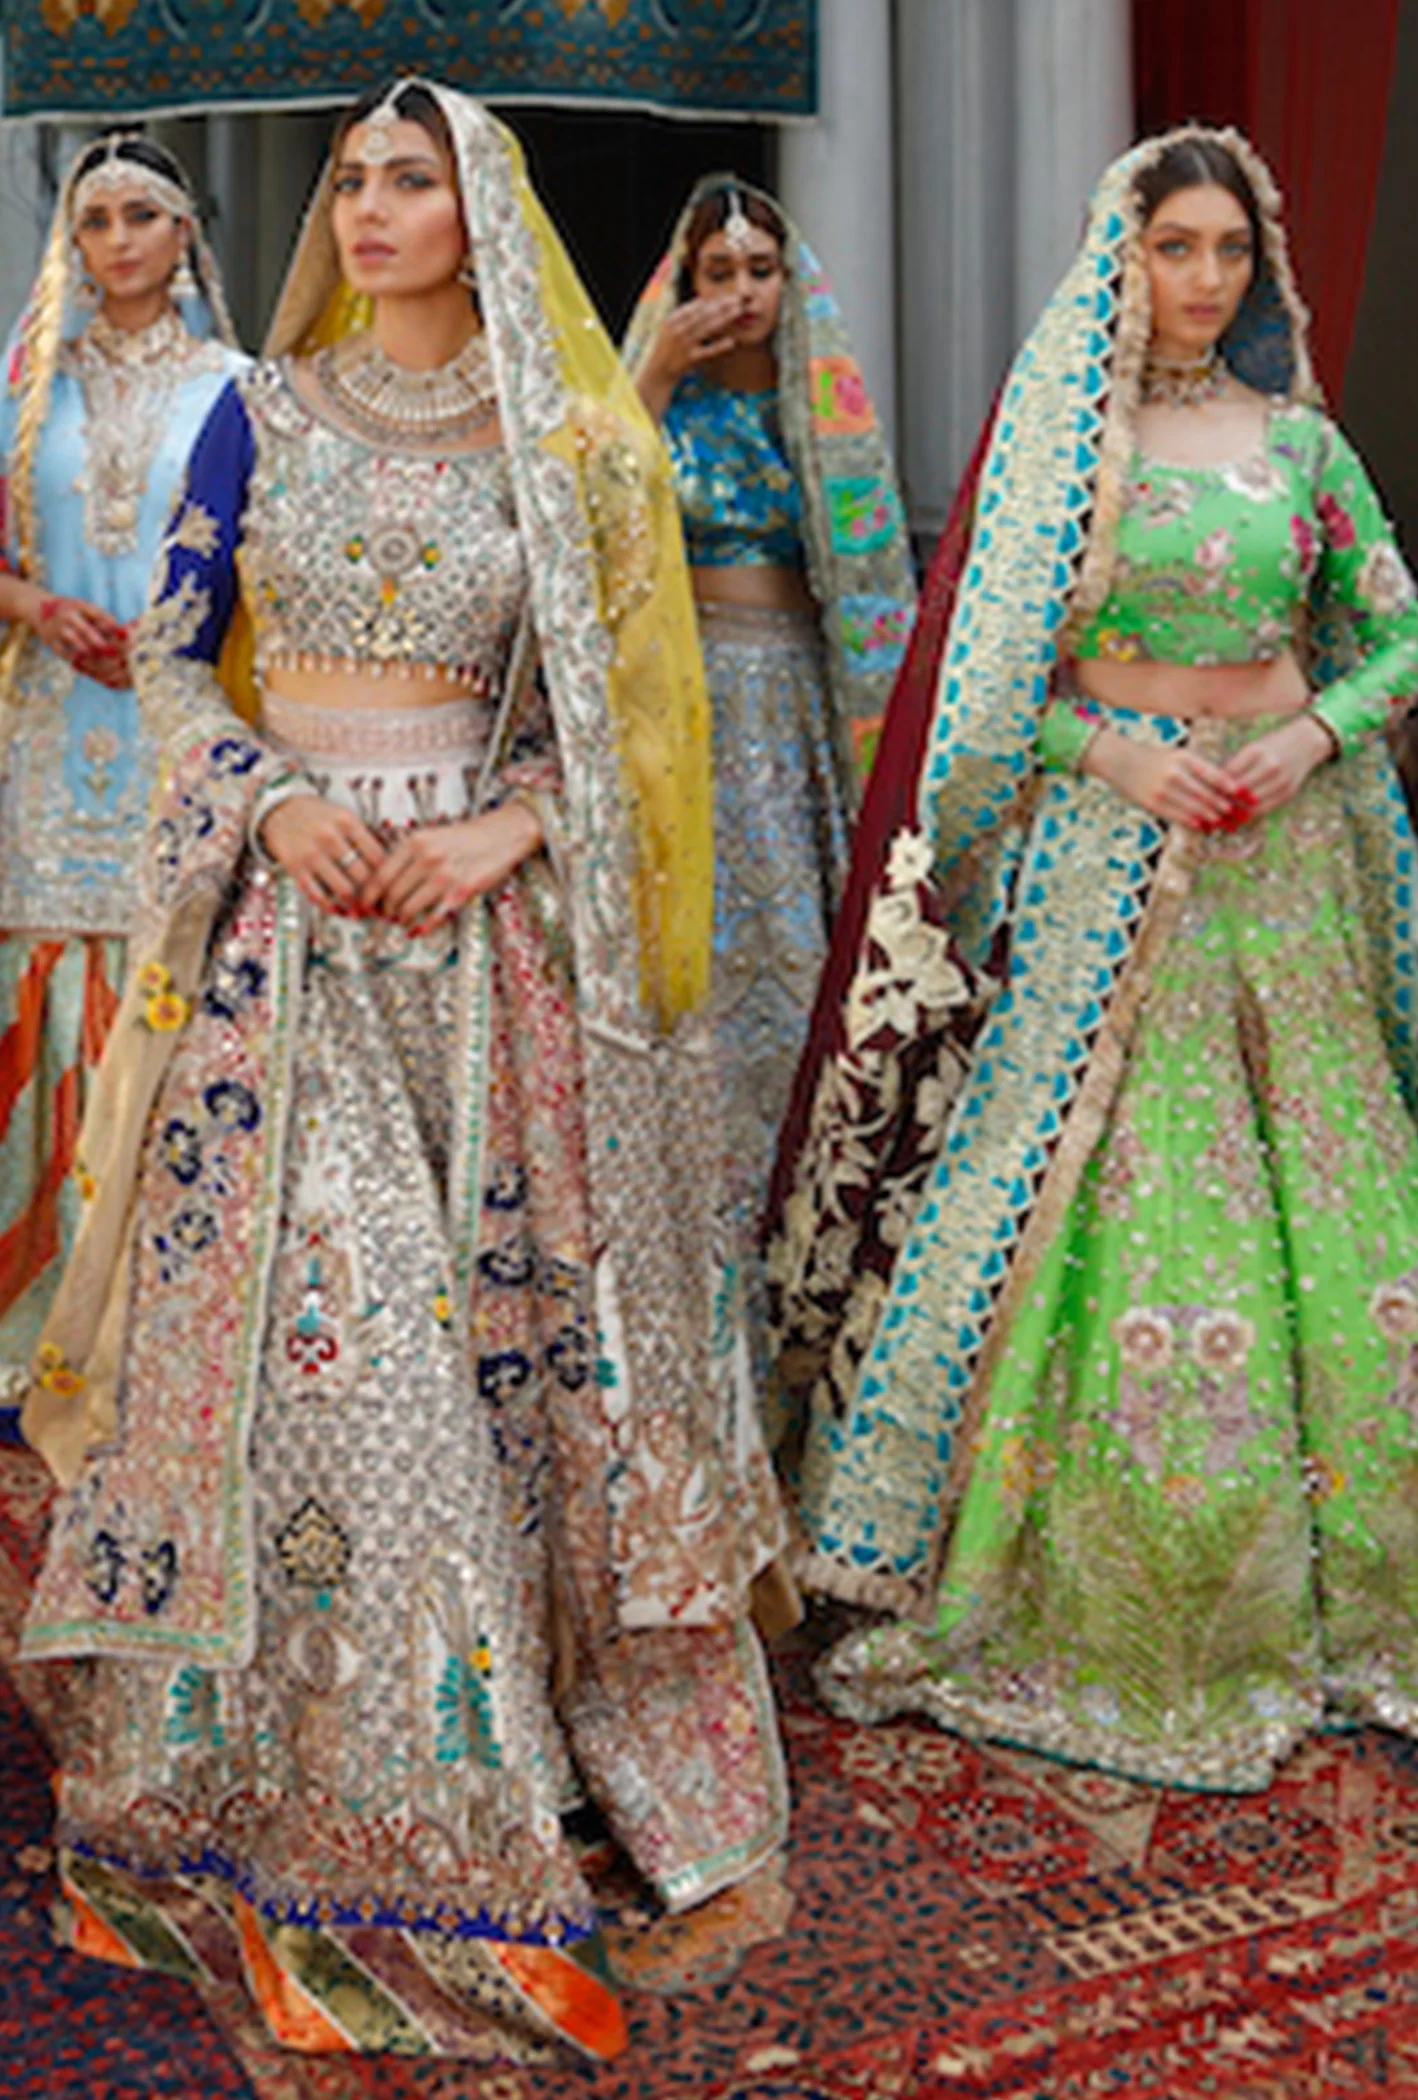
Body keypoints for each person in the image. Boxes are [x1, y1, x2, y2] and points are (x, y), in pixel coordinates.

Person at [17, 81, 790, 2063]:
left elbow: (634, 719)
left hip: (491, 954)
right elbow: (176, 659)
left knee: (518, 1363)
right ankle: (366, 1797)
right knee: (349, 1369)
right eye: (351, 178)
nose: (366, 207)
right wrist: (269, 803)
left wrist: (514, 826)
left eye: (410, 179)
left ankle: (540, 1717)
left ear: (481, 210)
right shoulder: (257, 417)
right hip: (294, 954)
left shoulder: (570, 443)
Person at [766, 126, 1418, 1793]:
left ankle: (1369, 1592)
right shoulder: (1063, 455)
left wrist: (1310, 738)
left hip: (1285, 860)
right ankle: (1096, 1585)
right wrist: (1113, 755)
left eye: (1230, 249)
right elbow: (984, 694)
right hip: (1116, 863)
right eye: (1177, 247)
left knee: (1330, 1169)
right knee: (1112, 1182)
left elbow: (1399, 639)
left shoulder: (1303, 445)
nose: (1206, 278)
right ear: (1124, 259)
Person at [624, 180, 914, 1418]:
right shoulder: (656, 402)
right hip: (688, 716)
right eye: (717, 272)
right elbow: (590, 518)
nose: (740, 293)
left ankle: (805, 1276)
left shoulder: (820, 409)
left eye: (760, 269)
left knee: (801, 976)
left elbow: (872, 578)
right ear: (682, 285)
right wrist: (651, 374)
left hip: (793, 714)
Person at [0, 136, 242, 1424]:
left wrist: (177, 639)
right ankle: (33, 1323)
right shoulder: (23, 385)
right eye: (94, 221)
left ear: (186, 233)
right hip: (48, 731)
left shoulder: (240, 392)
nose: (118, 241)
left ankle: (157, 1327)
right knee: (41, 992)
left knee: (172, 984)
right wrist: (34, 607)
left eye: (142, 215)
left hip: (180, 726)